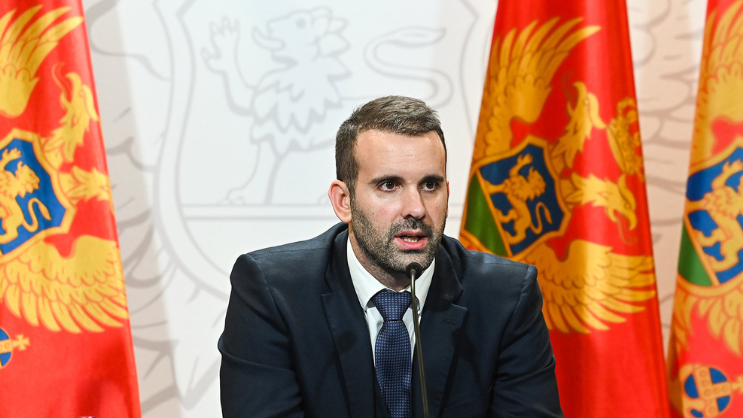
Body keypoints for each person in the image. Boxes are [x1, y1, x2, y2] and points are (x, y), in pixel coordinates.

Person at [218, 96, 563, 418]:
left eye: (430, 185)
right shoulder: (273, 293)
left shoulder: (505, 298)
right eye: (389, 185)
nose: (416, 208)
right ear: (344, 201)